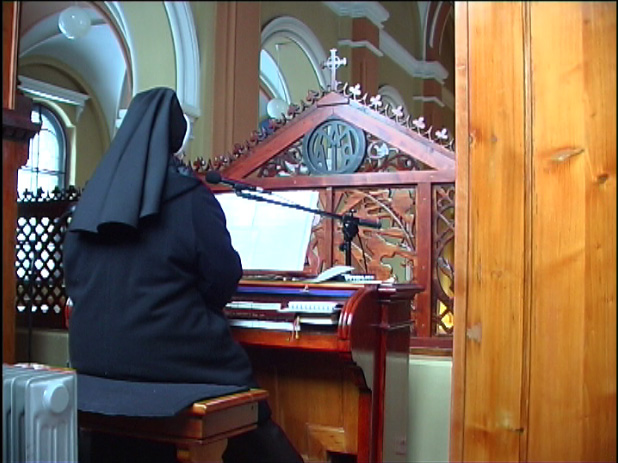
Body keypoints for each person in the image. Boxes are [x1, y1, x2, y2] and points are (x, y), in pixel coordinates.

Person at [63, 86, 304, 463]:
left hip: (92, 360)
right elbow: (222, 279)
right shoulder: (190, 197)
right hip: (168, 359)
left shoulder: (91, 200)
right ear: (174, 139)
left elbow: (74, 278)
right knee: (247, 396)